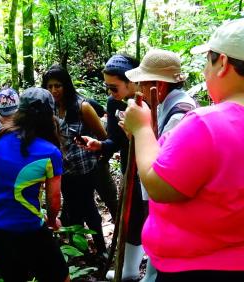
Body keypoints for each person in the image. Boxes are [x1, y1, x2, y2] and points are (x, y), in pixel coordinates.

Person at [123, 18, 244, 282]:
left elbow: (158, 186)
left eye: (206, 62)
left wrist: (142, 129)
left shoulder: (205, 125)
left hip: (202, 269)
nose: (204, 71)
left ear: (222, 63)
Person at [125, 49, 198, 282]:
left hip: (166, 187)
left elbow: (165, 158)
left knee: (164, 234)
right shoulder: (165, 104)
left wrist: (138, 131)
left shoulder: (180, 112)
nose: (141, 90)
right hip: (161, 187)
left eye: (144, 84)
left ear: (159, 85)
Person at [0, 87, 69, 282]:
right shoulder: (50, 152)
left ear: (19, 111)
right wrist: (51, 220)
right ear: (50, 116)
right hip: (27, 228)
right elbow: (54, 199)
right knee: (60, 278)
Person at [81, 54, 147, 281]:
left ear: (132, 81)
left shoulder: (149, 101)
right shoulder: (113, 103)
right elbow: (115, 141)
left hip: (152, 167)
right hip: (130, 171)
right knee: (133, 218)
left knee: (156, 220)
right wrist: (100, 145)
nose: (110, 93)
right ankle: (128, 270)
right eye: (108, 87)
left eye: (114, 87)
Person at [42, 64, 108, 256]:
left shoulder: (82, 107)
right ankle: (81, 251)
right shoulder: (50, 107)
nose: (54, 90)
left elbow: (103, 137)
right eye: (50, 86)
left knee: (88, 207)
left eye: (58, 86)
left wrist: (95, 152)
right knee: (72, 208)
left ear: (66, 86)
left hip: (85, 168)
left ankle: (101, 250)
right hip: (64, 169)